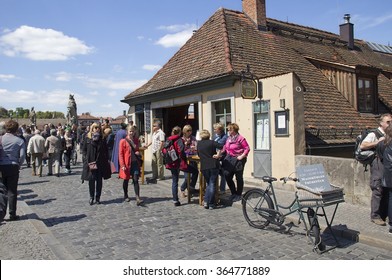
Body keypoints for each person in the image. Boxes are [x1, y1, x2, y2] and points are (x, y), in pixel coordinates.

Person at [360, 113, 392, 226]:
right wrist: (377, 142)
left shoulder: (387, 134)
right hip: (378, 164)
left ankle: (383, 214)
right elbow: (362, 146)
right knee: (377, 189)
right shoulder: (375, 134)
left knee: (386, 189)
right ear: (381, 123)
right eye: (388, 122)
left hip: (385, 164)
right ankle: (375, 216)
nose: (390, 124)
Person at [0, 120, 26, 221]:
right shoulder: (19, 141)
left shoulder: (1, 138)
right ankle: (12, 214)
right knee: (12, 191)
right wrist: (19, 165)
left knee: (1, 189)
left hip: (1, 166)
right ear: (16, 129)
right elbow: (22, 156)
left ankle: (1, 212)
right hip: (13, 166)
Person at [81, 123, 111, 205]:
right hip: (91, 162)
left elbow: (106, 151)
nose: (97, 129)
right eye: (95, 128)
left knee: (99, 181)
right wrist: (85, 159)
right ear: (92, 129)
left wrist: (107, 160)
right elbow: (84, 150)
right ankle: (91, 197)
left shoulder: (102, 139)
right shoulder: (87, 138)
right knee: (91, 180)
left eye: (98, 128)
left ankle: (98, 197)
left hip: (100, 163)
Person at [221, 123, 250, 202]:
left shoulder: (241, 138)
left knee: (238, 177)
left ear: (233, 130)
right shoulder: (229, 138)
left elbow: (247, 148)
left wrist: (242, 156)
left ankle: (238, 194)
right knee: (227, 175)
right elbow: (225, 147)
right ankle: (233, 192)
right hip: (230, 158)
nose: (228, 131)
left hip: (239, 159)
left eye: (229, 129)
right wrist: (219, 153)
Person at [197, 129, 223, 210]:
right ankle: (211, 203)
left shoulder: (199, 144)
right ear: (208, 135)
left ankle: (206, 202)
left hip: (204, 166)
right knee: (211, 184)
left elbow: (198, 154)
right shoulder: (212, 142)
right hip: (213, 164)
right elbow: (222, 146)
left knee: (209, 184)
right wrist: (218, 154)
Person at [118, 125, 144, 206]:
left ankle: (137, 198)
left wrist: (138, 152)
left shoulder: (136, 140)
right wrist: (122, 164)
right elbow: (120, 154)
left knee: (136, 179)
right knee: (126, 180)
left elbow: (137, 150)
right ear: (127, 132)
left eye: (133, 131)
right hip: (126, 164)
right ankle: (126, 195)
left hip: (135, 163)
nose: (131, 133)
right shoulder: (123, 141)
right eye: (130, 131)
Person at [165, 126, 185, 206]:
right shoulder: (179, 140)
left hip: (170, 162)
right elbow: (181, 151)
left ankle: (175, 199)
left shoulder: (168, 139)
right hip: (176, 162)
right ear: (180, 132)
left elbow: (164, 149)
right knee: (175, 181)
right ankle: (176, 200)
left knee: (174, 181)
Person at [378, 124, 392, 234]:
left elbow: (381, 156)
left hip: (388, 176)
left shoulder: (383, 143)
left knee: (391, 199)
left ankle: (391, 224)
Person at [179, 125, 199, 197]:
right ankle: (182, 188)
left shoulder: (193, 138)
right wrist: (185, 144)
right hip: (185, 159)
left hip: (193, 157)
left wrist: (195, 147)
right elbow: (180, 149)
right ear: (184, 131)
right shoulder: (181, 139)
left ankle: (191, 188)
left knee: (195, 173)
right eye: (188, 131)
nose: (189, 132)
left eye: (190, 130)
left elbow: (197, 146)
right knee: (187, 176)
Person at [213, 123, 228, 194]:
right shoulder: (216, 136)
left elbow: (219, 145)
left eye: (215, 129)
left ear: (219, 130)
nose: (214, 130)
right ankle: (215, 188)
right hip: (215, 157)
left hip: (222, 157)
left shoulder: (224, 137)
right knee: (216, 173)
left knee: (222, 174)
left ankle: (222, 189)